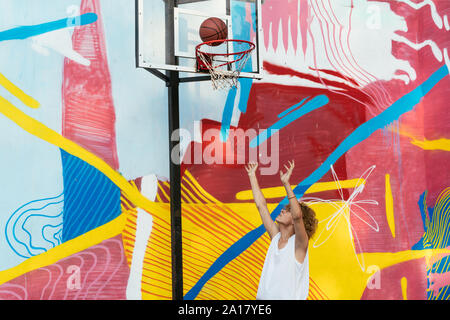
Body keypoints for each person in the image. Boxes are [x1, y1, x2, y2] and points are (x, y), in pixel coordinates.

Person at [245, 160, 318, 300]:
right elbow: (261, 206)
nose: (283, 211)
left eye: (288, 210)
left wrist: (286, 183)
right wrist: (252, 176)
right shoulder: (276, 237)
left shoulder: (299, 244)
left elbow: (297, 216)